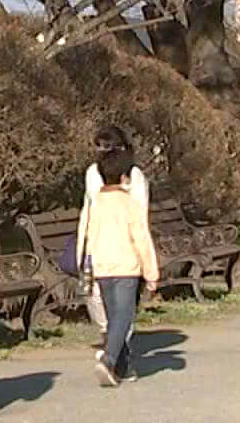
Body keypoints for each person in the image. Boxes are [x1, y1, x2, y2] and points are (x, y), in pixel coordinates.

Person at [76, 147, 159, 387]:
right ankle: (109, 359)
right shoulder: (129, 204)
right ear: (125, 177)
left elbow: (87, 234)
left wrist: (85, 261)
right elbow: (142, 239)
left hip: (102, 267)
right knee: (124, 316)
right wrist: (151, 272)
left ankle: (122, 368)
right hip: (126, 266)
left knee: (114, 318)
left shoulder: (95, 204)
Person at [75, 125, 148, 336]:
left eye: (107, 146)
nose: (101, 150)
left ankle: (119, 345)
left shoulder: (135, 176)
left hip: (125, 248)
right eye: (98, 146)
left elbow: (140, 215)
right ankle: (109, 333)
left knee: (124, 302)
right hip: (95, 244)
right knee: (94, 295)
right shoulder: (91, 172)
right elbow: (88, 208)